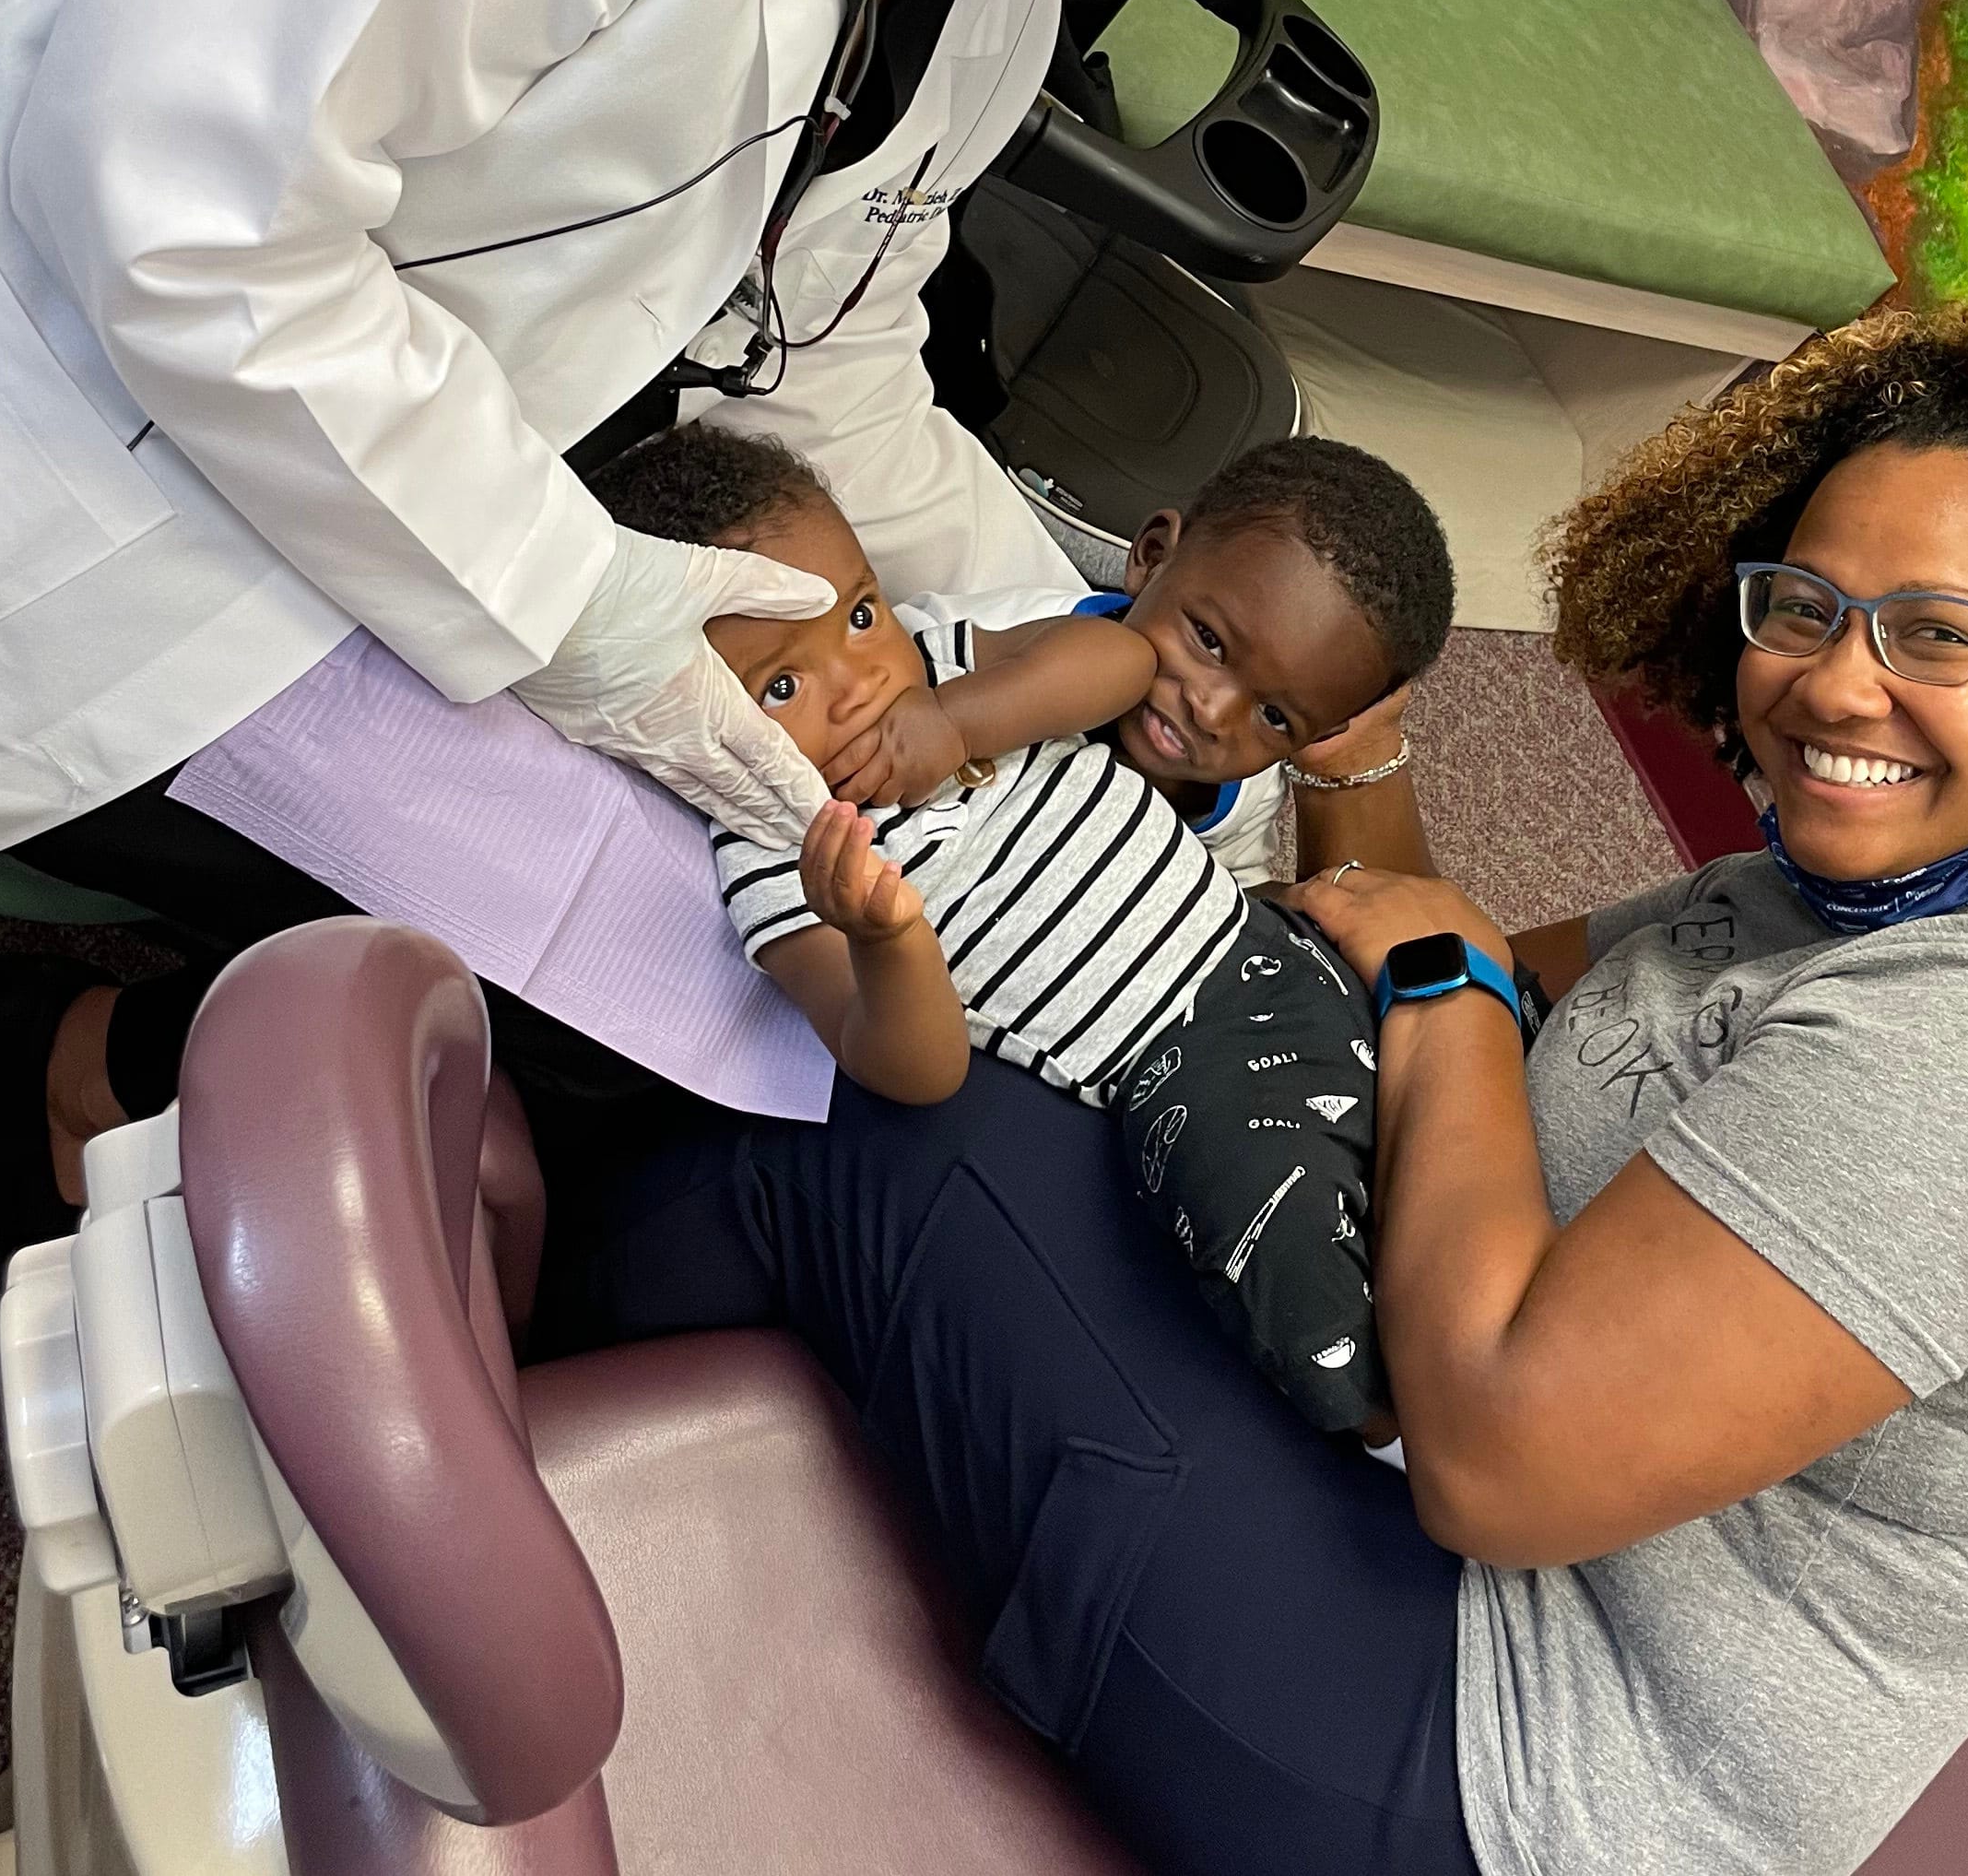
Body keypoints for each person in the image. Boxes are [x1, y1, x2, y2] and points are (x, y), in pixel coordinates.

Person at [0, 0, 1585, 1231]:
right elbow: (179, 210)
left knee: (735, 1000)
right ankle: (76, 1064)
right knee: (645, 1022)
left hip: (332, 478)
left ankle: (110, 1057)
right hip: (7, 412)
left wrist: (1123, 646)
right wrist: (575, 611)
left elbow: (824, 349)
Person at [581, 290, 1968, 1876]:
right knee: (1126, 1012)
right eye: (1805, 603)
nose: (1840, 681)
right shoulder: (1861, 885)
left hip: (1480, 1749)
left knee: (895, 1113)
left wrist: (1435, 982)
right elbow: (1459, 977)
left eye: (1937, 633)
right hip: (1454, 1439)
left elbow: (1497, 1438)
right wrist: (1345, 735)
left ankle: (495, 1381)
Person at [601, 418, 1457, 1434]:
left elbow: (1112, 662)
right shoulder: (780, 859)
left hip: (1260, 949)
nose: (862, 678)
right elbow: (913, 1069)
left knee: (1435, 1085)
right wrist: (889, 939)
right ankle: (1406, 1425)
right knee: (1291, 1252)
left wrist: (960, 720)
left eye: (863, 614)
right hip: (1176, 1060)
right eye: (781, 686)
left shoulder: (944, 663)